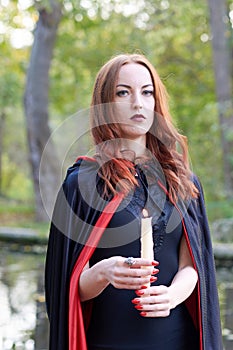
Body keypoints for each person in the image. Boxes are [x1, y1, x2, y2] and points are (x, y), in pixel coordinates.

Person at [45, 53, 223, 350]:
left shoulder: (184, 180)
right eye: (123, 92)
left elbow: (192, 266)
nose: (137, 103)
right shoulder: (82, 182)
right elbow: (66, 287)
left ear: (156, 102)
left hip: (177, 340)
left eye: (147, 92)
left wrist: (174, 294)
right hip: (109, 340)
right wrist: (103, 272)